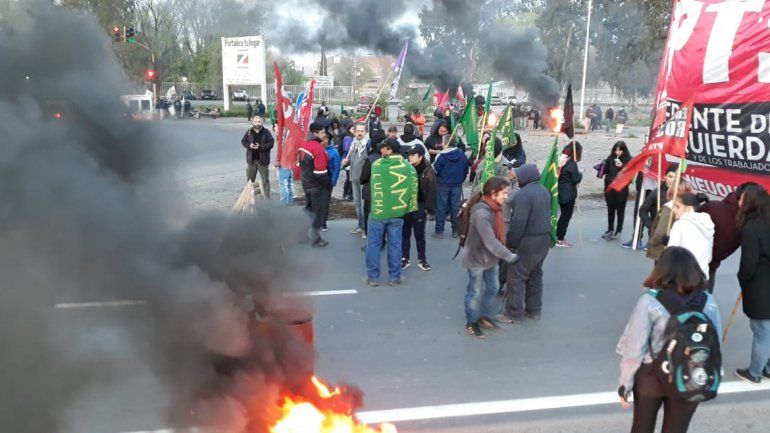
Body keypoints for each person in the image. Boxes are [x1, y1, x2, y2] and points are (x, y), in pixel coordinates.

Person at [617, 247, 722, 433]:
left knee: (642, 427)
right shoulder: (708, 301)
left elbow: (635, 348)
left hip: (651, 377)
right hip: (689, 373)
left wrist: (625, 383)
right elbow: (715, 343)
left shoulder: (649, 301)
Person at [463, 176, 520, 338]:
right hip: (477, 258)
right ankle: (471, 322)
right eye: (504, 193)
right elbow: (490, 241)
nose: (506, 196)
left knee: (493, 287)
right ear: (493, 193)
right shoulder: (482, 213)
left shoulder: (494, 207)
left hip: (490, 258)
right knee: (474, 291)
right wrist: (510, 256)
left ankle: (484, 317)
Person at [496, 164, 551, 323]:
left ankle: (513, 313)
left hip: (528, 241)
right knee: (535, 275)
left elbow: (518, 223)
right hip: (543, 240)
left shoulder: (524, 195)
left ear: (526, 176)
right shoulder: (544, 191)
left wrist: (511, 242)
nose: (517, 178)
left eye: (519, 175)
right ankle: (534, 310)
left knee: (516, 277)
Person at [363, 138, 417, 286]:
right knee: (395, 245)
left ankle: (372, 278)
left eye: (383, 148)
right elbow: (413, 189)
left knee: (373, 245)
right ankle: (395, 277)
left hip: (378, 212)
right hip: (398, 213)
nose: (381, 150)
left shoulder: (377, 165)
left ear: (389, 150)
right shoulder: (408, 167)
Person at [734, 185, 770, 384]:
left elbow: (749, 262)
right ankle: (768, 368)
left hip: (760, 286)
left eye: (742, 199)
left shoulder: (752, 227)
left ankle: (754, 372)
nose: (738, 203)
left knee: (761, 331)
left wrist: (743, 279)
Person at [701, 183, 758, 292]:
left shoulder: (748, 222)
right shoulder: (713, 207)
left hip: (708, 268)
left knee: (703, 304)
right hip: (694, 265)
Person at [402, 147, 437, 271]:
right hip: (406, 204)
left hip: (419, 205)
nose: (410, 157)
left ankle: (422, 259)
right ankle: (404, 258)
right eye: (409, 155)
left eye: (413, 155)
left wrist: (428, 209)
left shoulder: (427, 171)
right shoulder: (406, 168)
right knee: (405, 233)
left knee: (419, 234)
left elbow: (432, 191)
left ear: (420, 156)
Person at [297, 123, 331, 247]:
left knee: (309, 209)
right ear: (315, 133)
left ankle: (301, 233)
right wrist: (327, 184)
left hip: (306, 183)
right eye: (322, 132)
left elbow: (300, 164)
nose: (324, 134)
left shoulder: (303, 145)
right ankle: (316, 239)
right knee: (317, 212)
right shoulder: (318, 148)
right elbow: (320, 172)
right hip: (317, 186)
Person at [646, 180, 694, 263]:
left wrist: (652, 242)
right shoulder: (691, 208)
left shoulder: (669, 208)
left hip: (665, 253)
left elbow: (660, 232)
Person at [668, 192, 714, 277]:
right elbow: (709, 256)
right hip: (703, 276)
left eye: (677, 206)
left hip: (683, 277)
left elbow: (671, 255)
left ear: (689, 208)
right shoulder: (708, 224)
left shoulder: (680, 225)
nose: (673, 210)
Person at [433, 136, 469, 239]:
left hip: (443, 184)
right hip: (457, 184)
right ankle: (455, 231)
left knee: (441, 207)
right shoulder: (462, 155)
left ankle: (439, 231)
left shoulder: (441, 156)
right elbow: (466, 169)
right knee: (455, 207)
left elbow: (436, 170)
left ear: (445, 143)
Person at [602, 141, 632, 240]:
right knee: (610, 209)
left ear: (624, 150)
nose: (617, 152)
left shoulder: (628, 159)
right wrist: (601, 167)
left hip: (621, 188)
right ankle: (610, 229)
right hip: (610, 187)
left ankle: (618, 230)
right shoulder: (610, 158)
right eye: (616, 150)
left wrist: (622, 166)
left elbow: (630, 174)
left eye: (620, 150)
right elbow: (605, 170)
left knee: (620, 210)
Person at [343, 123, 370, 235]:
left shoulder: (367, 144)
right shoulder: (354, 143)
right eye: (358, 130)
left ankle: (366, 228)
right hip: (353, 178)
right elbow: (350, 157)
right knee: (357, 203)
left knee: (364, 205)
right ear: (354, 131)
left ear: (366, 132)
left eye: (362, 131)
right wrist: (346, 161)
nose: (359, 133)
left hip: (364, 180)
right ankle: (360, 225)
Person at [556, 142, 583, 247]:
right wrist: (580, 173)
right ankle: (560, 239)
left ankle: (558, 235)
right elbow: (576, 178)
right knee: (565, 216)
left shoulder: (561, 160)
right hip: (568, 194)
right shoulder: (571, 163)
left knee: (563, 215)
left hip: (560, 191)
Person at [240, 115, 274, 199]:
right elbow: (243, 141)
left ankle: (267, 199)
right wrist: (249, 145)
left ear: (261, 122)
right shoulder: (249, 132)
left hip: (263, 161)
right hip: (251, 160)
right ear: (253, 122)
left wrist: (260, 146)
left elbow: (271, 143)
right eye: (255, 122)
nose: (257, 123)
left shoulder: (266, 132)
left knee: (265, 181)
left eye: (259, 122)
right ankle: (249, 198)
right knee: (250, 181)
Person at [322, 128, 342, 231]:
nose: (323, 140)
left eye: (325, 138)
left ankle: (323, 222)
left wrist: (333, 181)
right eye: (322, 137)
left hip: (328, 181)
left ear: (329, 140)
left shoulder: (334, 152)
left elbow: (337, 167)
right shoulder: (316, 148)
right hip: (316, 180)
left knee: (325, 202)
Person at [340, 123, 355, 201]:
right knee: (350, 178)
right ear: (349, 129)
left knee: (349, 178)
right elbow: (346, 149)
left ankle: (346, 194)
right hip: (348, 160)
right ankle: (347, 194)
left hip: (349, 160)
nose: (354, 130)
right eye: (353, 129)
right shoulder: (348, 137)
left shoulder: (352, 137)